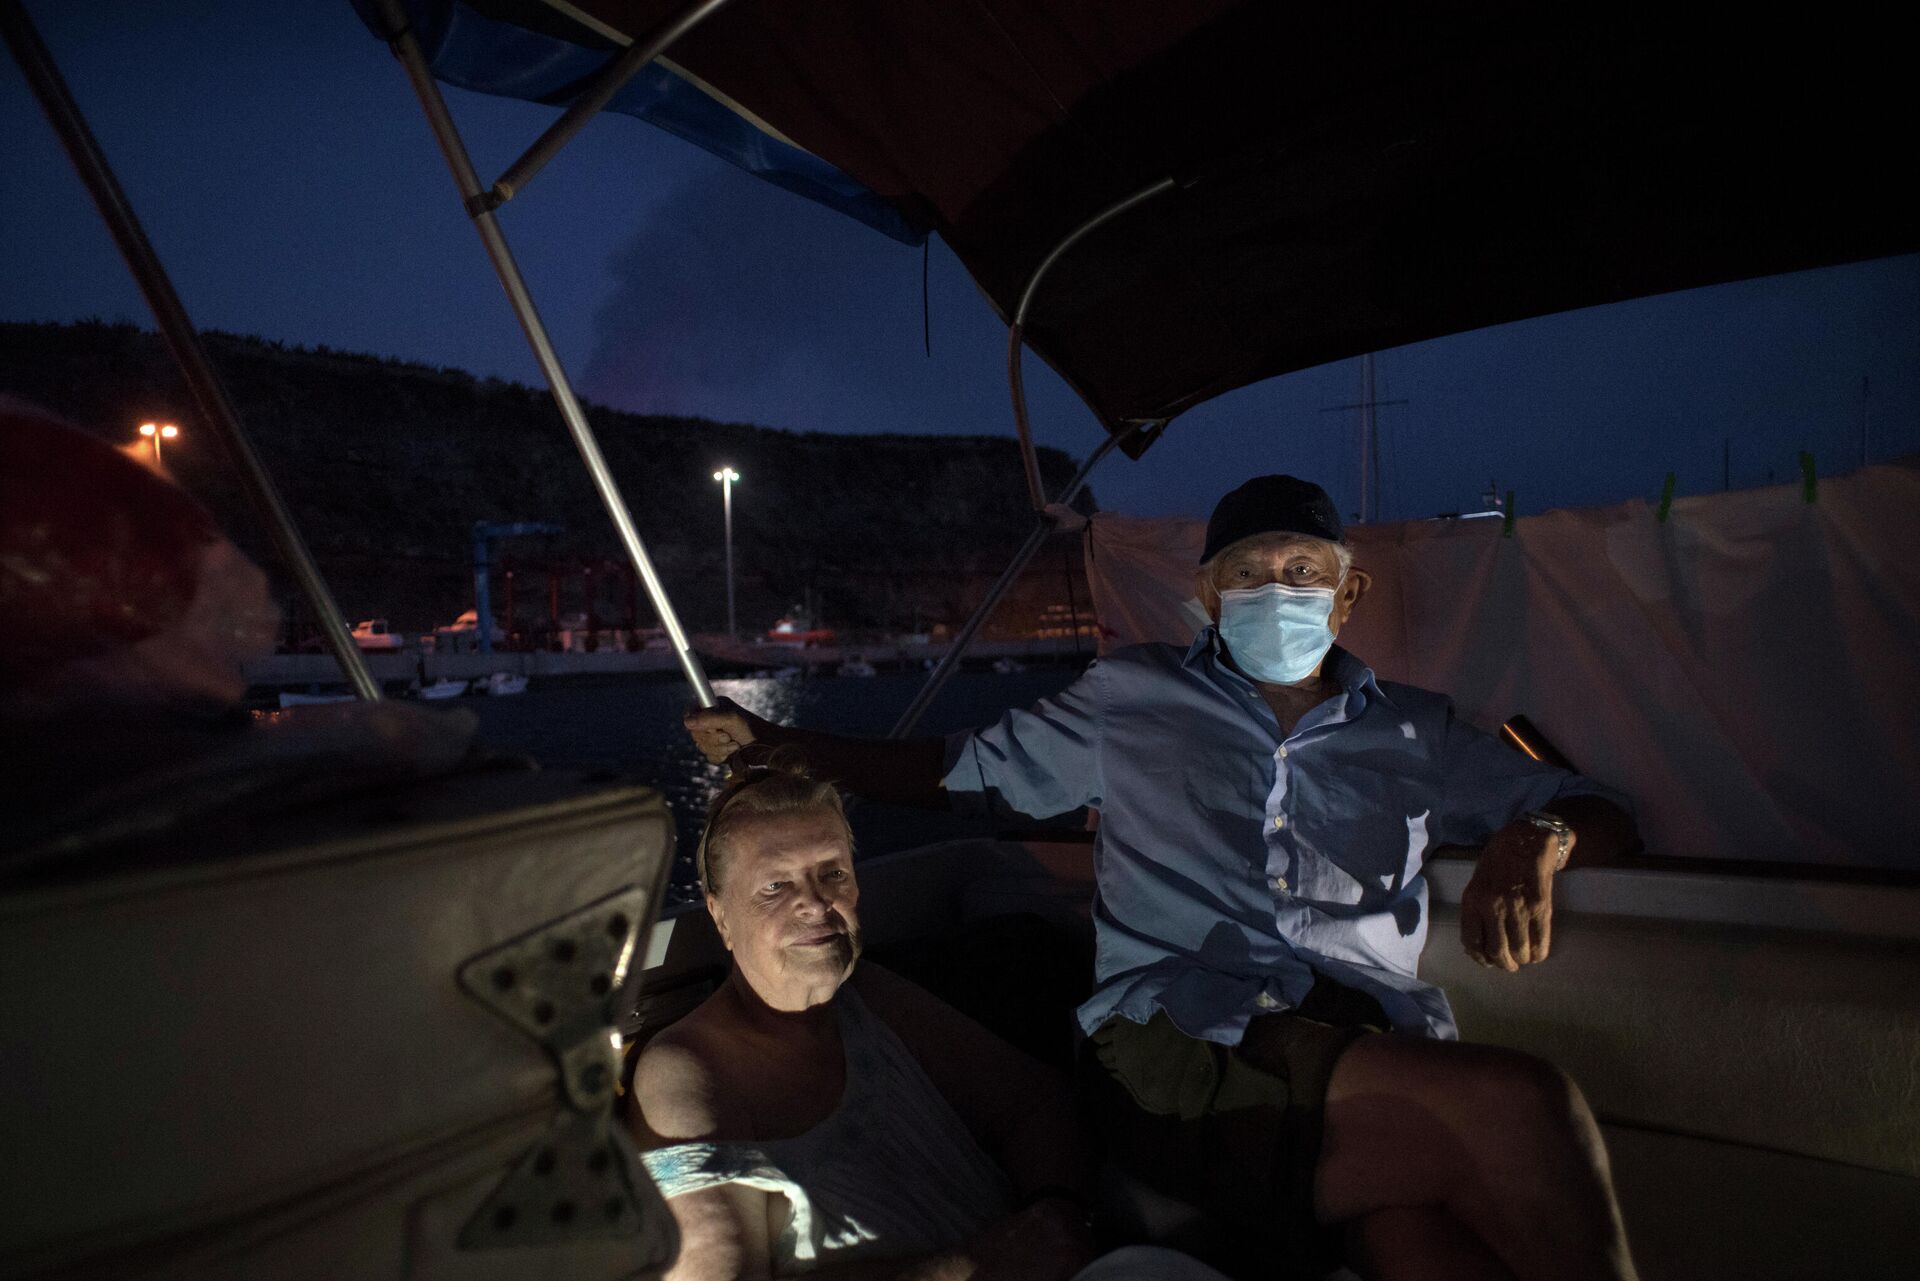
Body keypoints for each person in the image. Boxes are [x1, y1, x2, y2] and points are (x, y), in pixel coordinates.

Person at [684, 476, 1641, 1281]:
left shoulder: (1413, 730)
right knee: (1528, 1104)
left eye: (1303, 571)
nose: (1277, 590)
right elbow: (955, 771)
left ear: (1347, 595)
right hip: (1173, 1041)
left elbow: (1598, 809)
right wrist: (784, 744)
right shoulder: (1133, 696)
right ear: (1211, 594)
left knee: (1418, 1245)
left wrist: (1534, 839)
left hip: (1361, 1032)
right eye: (1248, 574)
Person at [628, 757, 1225, 1281]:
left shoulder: (866, 1000)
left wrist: (1055, 1211)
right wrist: (982, 1264)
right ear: (719, 916)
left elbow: (1032, 1102)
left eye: (832, 873)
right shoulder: (686, 1070)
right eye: (775, 886)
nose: (814, 902)